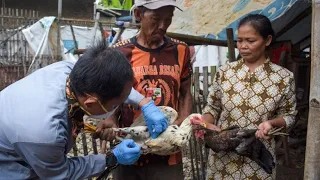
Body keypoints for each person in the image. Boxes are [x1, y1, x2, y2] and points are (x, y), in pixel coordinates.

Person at [0, 42, 169, 179]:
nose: (118, 107)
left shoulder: (69, 71)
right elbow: (60, 174)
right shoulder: (44, 133)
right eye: (117, 104)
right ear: (90, 102)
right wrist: (111, 158)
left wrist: (144, 102)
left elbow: (117, 86)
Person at [95, 0, 193, 179]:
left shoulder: (181, 50)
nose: (163, 26)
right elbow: (110, 93)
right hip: (129, 149)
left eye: (168, 19)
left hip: (167, 155)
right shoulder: (119, 52)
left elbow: (186, 93)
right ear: (139, 15)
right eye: (156, 19)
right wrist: (110, 120)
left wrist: (181, 124)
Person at [200, 14, 297, 179]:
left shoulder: (283, 78)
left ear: (267, 40)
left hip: (258, 158)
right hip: (222, 159)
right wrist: (205, 124)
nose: (243, 46)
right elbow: (213, 106)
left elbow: (289, 115)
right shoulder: (225, 73)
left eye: (251, 41)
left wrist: (271, 123)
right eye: (239, 40)